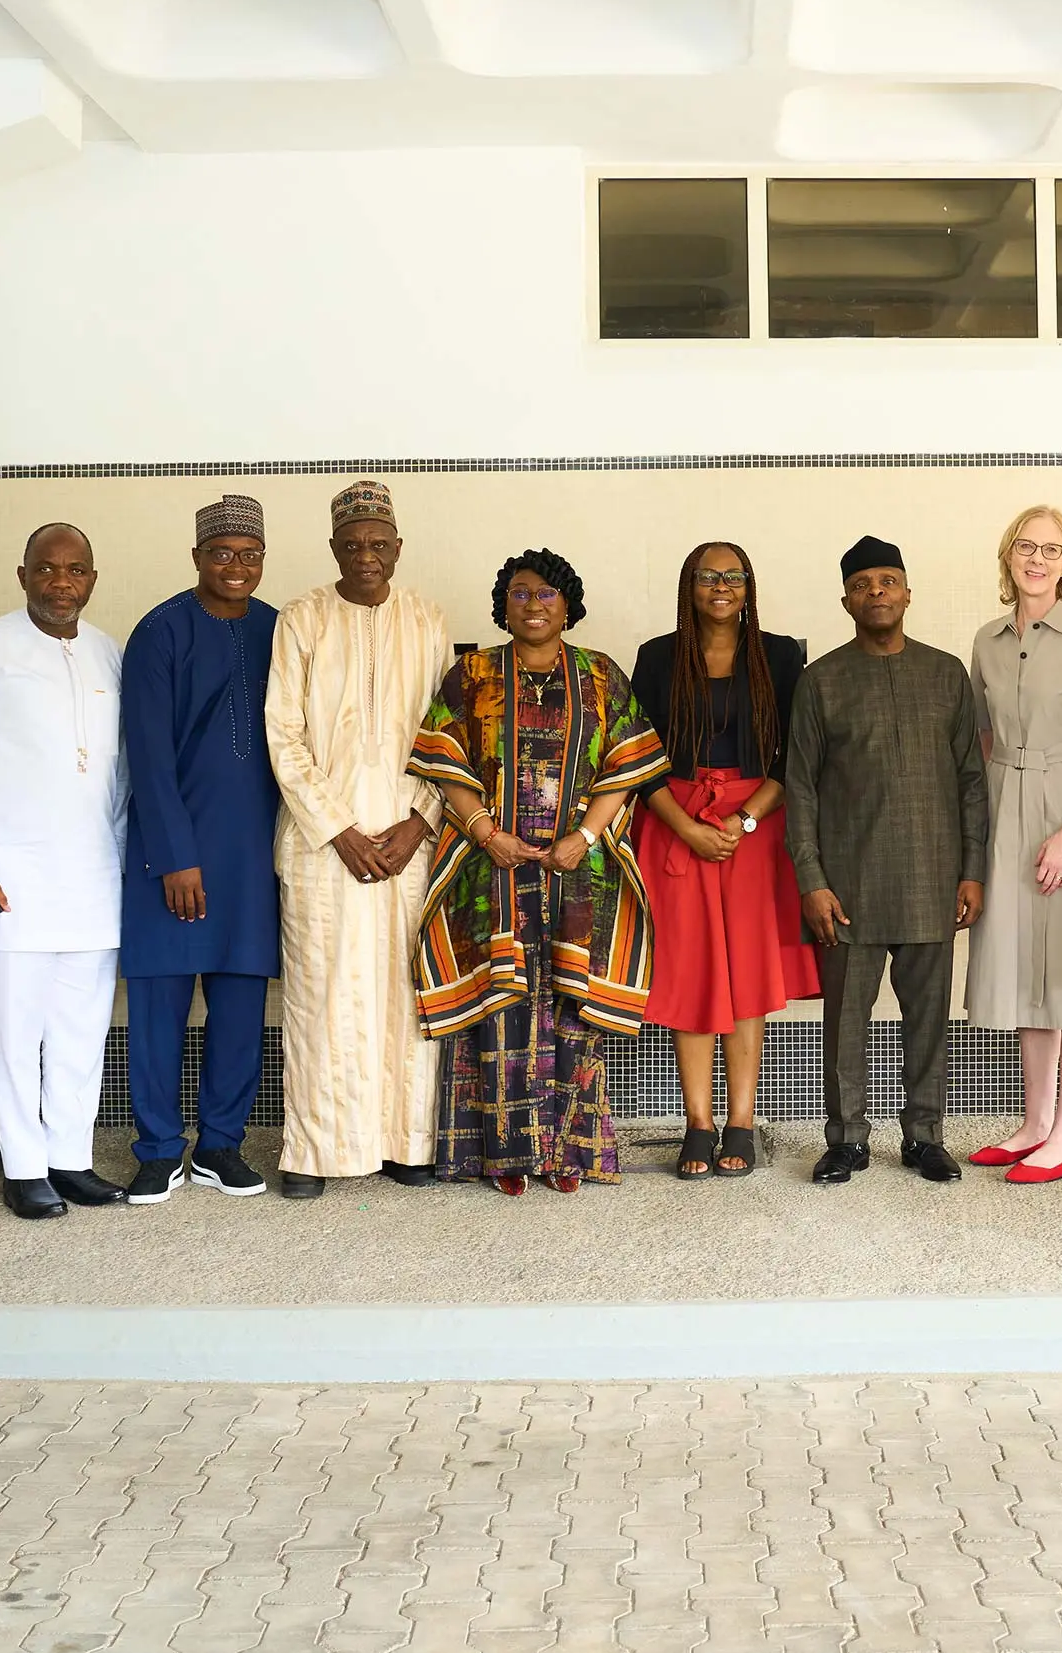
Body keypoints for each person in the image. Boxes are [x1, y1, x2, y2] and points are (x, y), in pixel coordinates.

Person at [409, 548, 665, 1194]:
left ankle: (568, 1153)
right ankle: (502, 1155)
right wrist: (485, 833)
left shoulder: (601, 675)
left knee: (574, 1009)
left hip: (579, 869)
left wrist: (584, 836)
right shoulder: (470, 675)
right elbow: (446, 765)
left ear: (568, 605)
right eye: (520, 594)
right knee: (502, 1004)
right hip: (492, 869)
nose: (533, 605)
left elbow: (625, 766)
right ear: (504, 603)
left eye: (547, 595)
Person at [0, 522, 130, 1220]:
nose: (60, 583)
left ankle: (69, 1157)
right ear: (23, 575)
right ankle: (23, 1167)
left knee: (82, 1029)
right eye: (47, 569)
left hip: (93, 878)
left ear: (91, 580)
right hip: (9, 878)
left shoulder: (109, 654)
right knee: (17, 1030)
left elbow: (122, 778)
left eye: (75, 570)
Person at [265, 480, 450, 1202]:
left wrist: (420, 819)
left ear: (397, 548)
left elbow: (446, 736)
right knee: (322, 993)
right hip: (322, 846)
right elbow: (283, 732)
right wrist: (339, 828)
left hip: (407, 841)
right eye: (352, 545)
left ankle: (407, 1141)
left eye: (378, 544)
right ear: (334, 548)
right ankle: (315, 1150)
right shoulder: (302, 618)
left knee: (406, 993)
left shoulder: (429, 619)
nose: (366, 556)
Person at [784, 535, 988, 1186]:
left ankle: (925, 1135)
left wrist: (972, 868)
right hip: (847, 886)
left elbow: (971, 780)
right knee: (844, 1022)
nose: (877, 591)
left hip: (932, 877)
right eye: (864, 582)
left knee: (928, 1021)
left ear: (907, 594)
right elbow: (800, 787)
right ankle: (845, 1140)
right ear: (846, 598)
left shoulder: (946, 672)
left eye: (888, 580)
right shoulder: (821, 681)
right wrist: (811, 880)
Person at [631, 541, 816, 1179]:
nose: (721, 586)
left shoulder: (780, 654)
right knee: (690, 971)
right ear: (689, 584)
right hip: (675, 823)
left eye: (733, 576)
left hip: (754, 825)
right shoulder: (657, 657)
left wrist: (742, 820)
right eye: (708, 576)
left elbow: (794, 752)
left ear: (749, 586)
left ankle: (741, 1118)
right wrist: (686, 826)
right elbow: (637, 757)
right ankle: (698, 1124)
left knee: (745, 974)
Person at [119, 497, 283, 1207]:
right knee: (158, 1007)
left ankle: (221, 1142)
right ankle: (157, 1150)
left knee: (241, 1008)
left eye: (250, 554)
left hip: (250, 857)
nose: (236, 566)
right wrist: (174, 857)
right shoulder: (160, 632)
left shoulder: (280, 629)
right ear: (196, 558)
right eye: (222, 553)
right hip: (171, 857)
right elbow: (147, 756)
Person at [964, 507, 1062, 1185]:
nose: (1038, 558)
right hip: (1006, 805)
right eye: (1026, 546)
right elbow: (983, 740)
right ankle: (1034, 1123)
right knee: (1028, 970)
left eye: (1051, 549)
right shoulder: (987, 640)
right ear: (1008, 556)